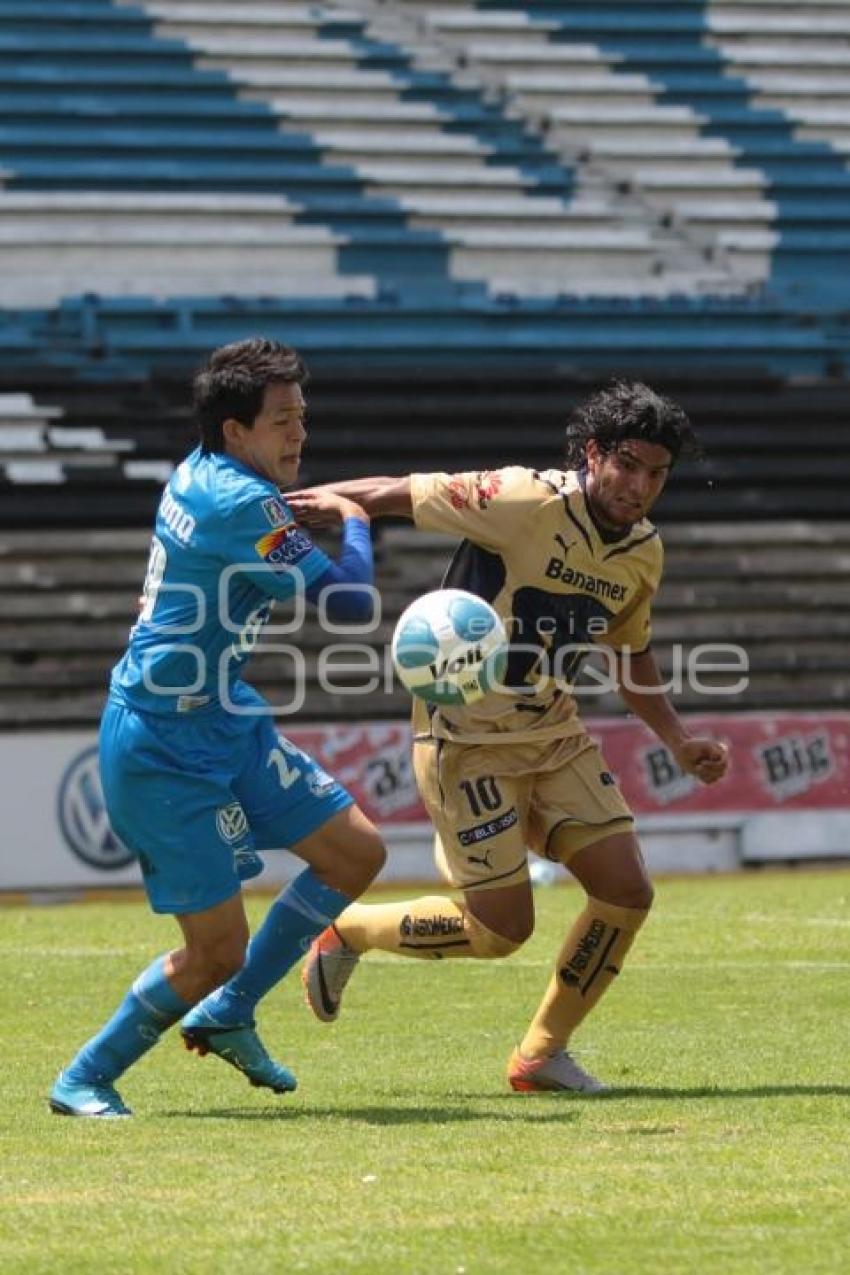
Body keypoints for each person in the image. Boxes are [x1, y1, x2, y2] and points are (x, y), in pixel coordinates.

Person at [290, 379, 730, 1093]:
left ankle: (540, 1054)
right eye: (628, 464)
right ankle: (352, 930)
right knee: (500, 929)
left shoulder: (643, 553)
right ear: (593, 453)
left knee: (627, 890)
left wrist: (678, 740)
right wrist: (289, 510)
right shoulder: (522, 498)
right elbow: (398, 492)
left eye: (657, 472)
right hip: (463, 735)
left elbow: (630, 652)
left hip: (554, 731)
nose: (640, 485)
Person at [50, 338, 385, 1118]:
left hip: (224, 720)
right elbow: (350, 604)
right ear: (235, 430)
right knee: (214, 949)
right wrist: (355, 519)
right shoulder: (242, 503)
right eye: (282, 420)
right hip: (163, 746)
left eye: (302, 415)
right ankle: (85, 1076)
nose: (299, 433)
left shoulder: (205, 473)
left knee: (355, 852)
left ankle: (230, 1011)